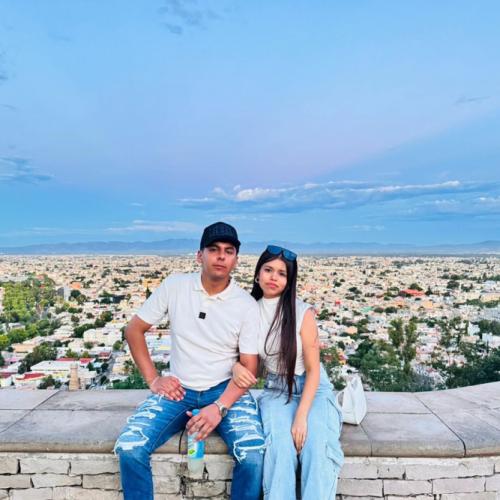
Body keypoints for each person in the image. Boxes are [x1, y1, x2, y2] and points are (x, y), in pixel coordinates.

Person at [114, 222, 265, 500]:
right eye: (214, 249)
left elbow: (249, 367)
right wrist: (153, 379)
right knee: (129, 448)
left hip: (224, 389)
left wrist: (219, 407)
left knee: (253, 457)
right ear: (199, 255)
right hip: (179, 390)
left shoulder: (245, 305)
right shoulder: (176, 286)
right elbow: (134, 330)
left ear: (235, 260)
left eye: (228, 251)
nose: (221, 256)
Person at [232, 245, 344, 500]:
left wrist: (301, 417)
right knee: (279, 448)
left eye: (281, 273)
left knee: (316, 446)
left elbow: (314, 371)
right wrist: (236, 366)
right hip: (277, 389)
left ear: (289, 281)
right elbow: (248, 363)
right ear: (257, 274)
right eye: (268, 270)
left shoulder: (302, 313)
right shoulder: (248, 312)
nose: (273, 277)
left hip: (313, 389)